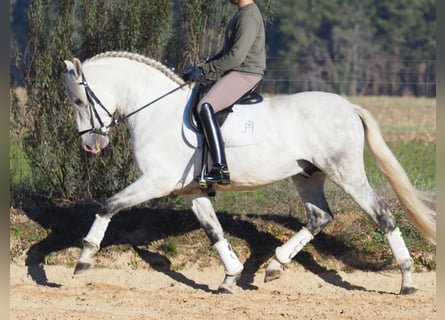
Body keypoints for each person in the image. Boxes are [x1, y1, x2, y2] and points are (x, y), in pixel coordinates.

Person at [182, 0, 266, 185]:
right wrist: (202, 67)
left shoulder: (249, 16)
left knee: (205, 105)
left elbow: (235, 57)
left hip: (245, 73)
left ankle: (220, 168)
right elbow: (225, 52)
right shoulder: (242, 13)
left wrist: (205, 70)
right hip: (237, 71)